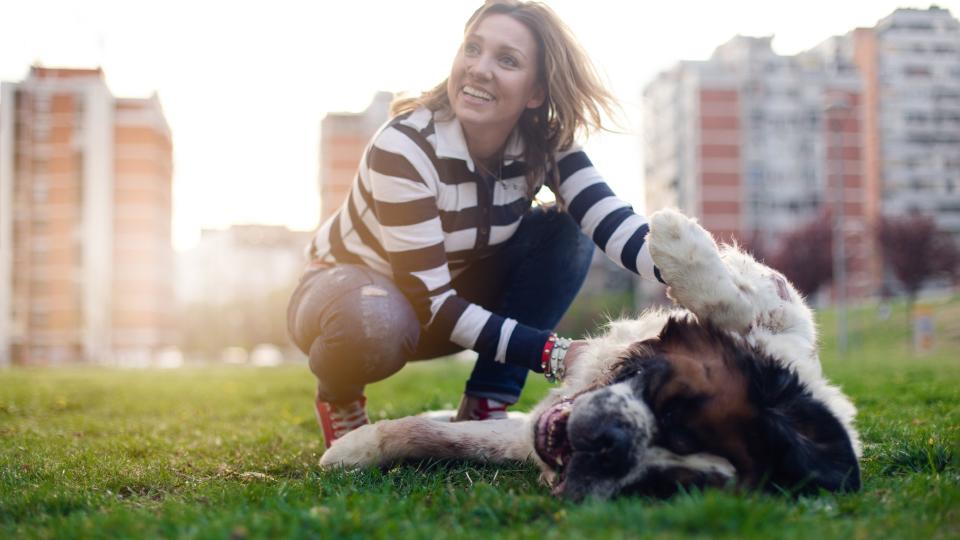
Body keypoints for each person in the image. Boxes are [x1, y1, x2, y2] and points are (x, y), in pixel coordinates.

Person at [287, 0, 663, 448]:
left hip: (439, 307)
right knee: (375, 319)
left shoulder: (547, 144)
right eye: (473, 49)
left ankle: (487, 400)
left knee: (567, 231)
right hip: (349, 299)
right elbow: (431, 301)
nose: (479, 69)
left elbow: (612, 220)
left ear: (536, 92)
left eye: (506, 60)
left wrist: (709, 275)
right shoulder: (405, 146)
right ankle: (340, 396)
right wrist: (555, 353)